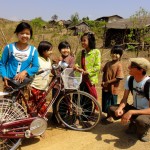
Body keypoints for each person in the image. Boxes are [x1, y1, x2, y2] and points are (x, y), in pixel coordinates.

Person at [108, 57, 150, 142]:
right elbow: (124, 99)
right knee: (112, 109)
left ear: (141, 70)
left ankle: (142, 131)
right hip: (134, 108)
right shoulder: (130, 79)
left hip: (146, 112)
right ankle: (133, 123)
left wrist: (131, 112)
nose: (128, 67)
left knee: (141, 121)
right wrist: (120, 108)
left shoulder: (148, 83)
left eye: (132, 66)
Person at [1, 22, 39, 88]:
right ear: (17, 34)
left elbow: (36, 66)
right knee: (8, 99)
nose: (25, 35)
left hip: (24, 85)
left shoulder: (33, 50)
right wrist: (4, 76)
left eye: (27, 34)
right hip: (9, 84)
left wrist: (25, 72)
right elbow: (2, 64)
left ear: (30, 35)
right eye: (22, 33)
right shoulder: (9, 48)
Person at [51, 41, 75, 123]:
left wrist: (61, 62)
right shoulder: (57, 59)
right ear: (59, 50)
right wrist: (56, 64)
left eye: (67, 48)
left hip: (67, 84)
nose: (66, 50)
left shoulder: (71, 58)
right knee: (55, 100)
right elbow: (53, 71)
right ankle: (55, 117)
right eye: (63, 48)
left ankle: (64, 117)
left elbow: (70, 69)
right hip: (57, 84)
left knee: (66, 101)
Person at [75, 32, 101, 100]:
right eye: (82, 41)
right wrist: (77, 68)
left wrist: (87, 72)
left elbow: (97, 67)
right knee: (80, 99)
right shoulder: (81, 52)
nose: (82, 42)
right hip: (80, 79)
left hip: (90, 80)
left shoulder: (96, 52)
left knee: (89, 99)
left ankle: (89, 111)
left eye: (84, 40)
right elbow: (76, 64)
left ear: (90, 41)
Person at [101, 46, 124, 122]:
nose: (115, 55)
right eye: (113, 53)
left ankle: (111, 117)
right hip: (106, 87)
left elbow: (119, 78)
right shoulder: (108, 63)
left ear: (120, 55)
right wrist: (103, 82)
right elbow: (104, 73)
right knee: (106, 102)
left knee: (112, 103)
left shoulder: (119, 65)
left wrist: (108, 82)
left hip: (113, 89)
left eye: (117, 53)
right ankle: (108, 116)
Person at [29, 41, 53, 114]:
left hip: (44, 87)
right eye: (49, 50)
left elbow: (48, 72)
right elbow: (31, 72)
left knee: (42, 106)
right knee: (32, 106)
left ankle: (40, 121)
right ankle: (30, 121)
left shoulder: (49, 60)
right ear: (43, 51)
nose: (51, 52)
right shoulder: (37, 60)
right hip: (35, 87)